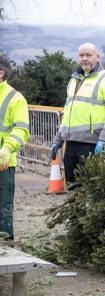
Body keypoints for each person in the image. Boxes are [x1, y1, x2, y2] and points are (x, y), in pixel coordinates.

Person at [50, 43, 105, 189]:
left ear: (97, 57)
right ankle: (75, 213)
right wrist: (58, 139)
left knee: (91, 189)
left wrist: (104, 139)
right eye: (81, 55)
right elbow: (68, 113)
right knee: (73, 188)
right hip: (70, 145)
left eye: (88, 55)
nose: (85, 59)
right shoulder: (73, 81)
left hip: (92, 144)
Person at [0, 55, 30, 241]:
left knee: (3, 210)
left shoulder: (15, 98)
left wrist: (6, 148)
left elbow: (21, 129)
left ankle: (5, 254)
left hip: (3, 163)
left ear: (1, 73)